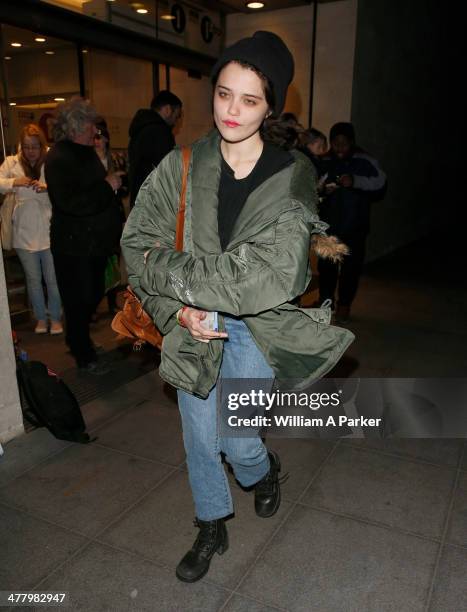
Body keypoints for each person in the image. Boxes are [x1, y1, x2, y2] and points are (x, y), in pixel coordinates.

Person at [121, 31, 353, 583]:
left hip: (259, 328)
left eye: (250, 100)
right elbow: (137, 244)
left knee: (238, 437)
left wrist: (177, 281)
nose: (232, 111)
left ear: (271, 105)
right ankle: (210, 522)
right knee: (200, 437)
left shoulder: (289, 174)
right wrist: (178, 312)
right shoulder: (181, 165)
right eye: (224, 94)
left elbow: (273, 275)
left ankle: (264, 470)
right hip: (189, 323)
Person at [45, 97, 123, 374]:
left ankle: (80, 342)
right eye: (92, 126)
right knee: (79, 301)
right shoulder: (59, 158)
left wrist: (111, 186)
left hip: (93, 245)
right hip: (74, 247)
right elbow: (72, 202)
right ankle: (83, 354)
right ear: (78, 126)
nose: (96, 131)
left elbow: (97, 191)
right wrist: (107, 186)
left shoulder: (85, 153)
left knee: (89, 297)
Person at [316, 122, 387, 322]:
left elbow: (380, 183)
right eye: (335, 143)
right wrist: (322, 190)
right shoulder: (324, 160)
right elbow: (311, 186)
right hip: (328, 227)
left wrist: (355, 181)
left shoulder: (365, 161)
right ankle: (325, 303)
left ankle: (344, 305)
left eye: (344, 143)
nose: (339, 148)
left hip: (355, 227)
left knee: (350, 270)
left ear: (352, 142)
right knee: (327, 268)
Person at [0, 124, 62, 334]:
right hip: (24, 230)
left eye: (35, 146)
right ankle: (40, 318)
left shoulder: (51, 159)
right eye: (26, 147)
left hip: (48, 228)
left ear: (42, 145)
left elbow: (66, 185)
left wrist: (47, 188)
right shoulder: (12, 162)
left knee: (52, 279)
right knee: (34, 280)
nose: (31, 151)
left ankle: (55, 317)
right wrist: (14, 182)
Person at [93, 117, 127, 315]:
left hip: (113, 215)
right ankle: (95, 304)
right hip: (95, 217)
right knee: (98, 262)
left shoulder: (115, 159)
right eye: (94, 137)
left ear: (106, 139)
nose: (96, 141)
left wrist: (118, 185)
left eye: (99, 137)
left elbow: (125, 187)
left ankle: (112, 302)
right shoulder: (87, 161)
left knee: (114, 258)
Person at [128, 90, 182, 207]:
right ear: (167, 110)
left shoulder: (140, 128)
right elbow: (168, 174)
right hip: (154, 205)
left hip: (139, 200)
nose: (176, 122)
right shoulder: (160, 132)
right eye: (176, 116)